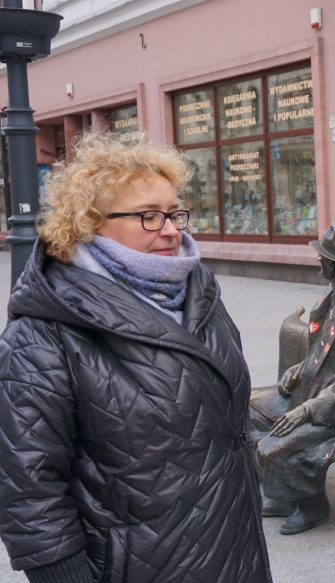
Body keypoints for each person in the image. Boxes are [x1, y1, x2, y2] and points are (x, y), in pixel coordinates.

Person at [0, 135, 271, 582]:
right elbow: (28, 489)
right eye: (148, 215)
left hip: (233, 548)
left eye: (174, 213)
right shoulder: (42, 334)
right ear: (90, 222)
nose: (171, 230)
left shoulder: (199, 295)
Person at [248, 219, 335, 535]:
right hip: (310, 390)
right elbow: (321, 353)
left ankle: (312, 507)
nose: (318, 259)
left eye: (323, 255)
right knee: (248, 411)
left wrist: (306, 411)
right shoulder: (333, 296)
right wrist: (298, 369)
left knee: (274, 445)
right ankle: (282, 495)